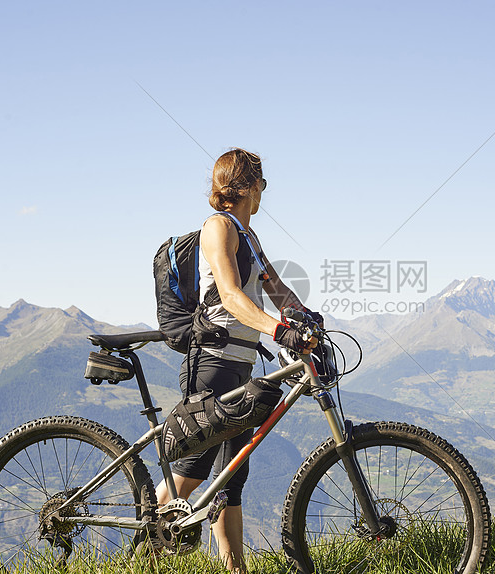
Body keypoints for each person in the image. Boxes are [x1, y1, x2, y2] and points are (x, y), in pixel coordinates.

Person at [155, 148, 318, 573]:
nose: (264, 193)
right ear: (247, 187)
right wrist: (281, 331)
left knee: (231, 476)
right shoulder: (218, 229)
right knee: (192, 469)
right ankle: (147, 549)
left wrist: (305, 319)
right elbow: (231, 295)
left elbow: (277, 288)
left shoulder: (248, 235)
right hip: (212, 362)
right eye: (262, 184)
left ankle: (236, 570)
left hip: (240, 363)